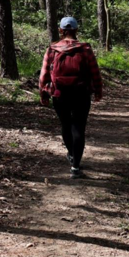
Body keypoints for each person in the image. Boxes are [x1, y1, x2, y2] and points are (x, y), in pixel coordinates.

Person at [39, 16, 103, 179]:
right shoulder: (85, 49)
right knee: (79, 127)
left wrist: (43, 92)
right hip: (81, 93)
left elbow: (44, 74)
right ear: (76, 31)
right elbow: (94, 71)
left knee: (66, 125)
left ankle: (72, 154)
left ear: (61, 30)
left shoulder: (52, 49)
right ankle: (75, 167)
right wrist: (98, 90)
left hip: (59, 94)